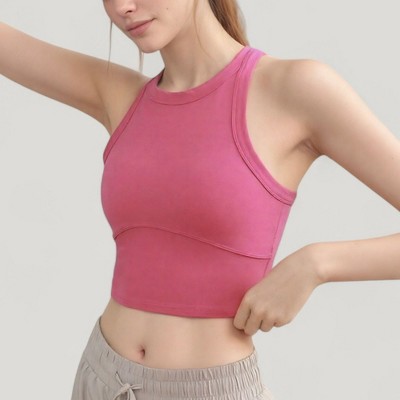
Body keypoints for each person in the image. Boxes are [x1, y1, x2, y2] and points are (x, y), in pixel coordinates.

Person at [1, 1, 399, 399]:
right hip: (101, 377)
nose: (123, 6)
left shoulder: (294, 88)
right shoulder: (119, 94)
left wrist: (317, 264)